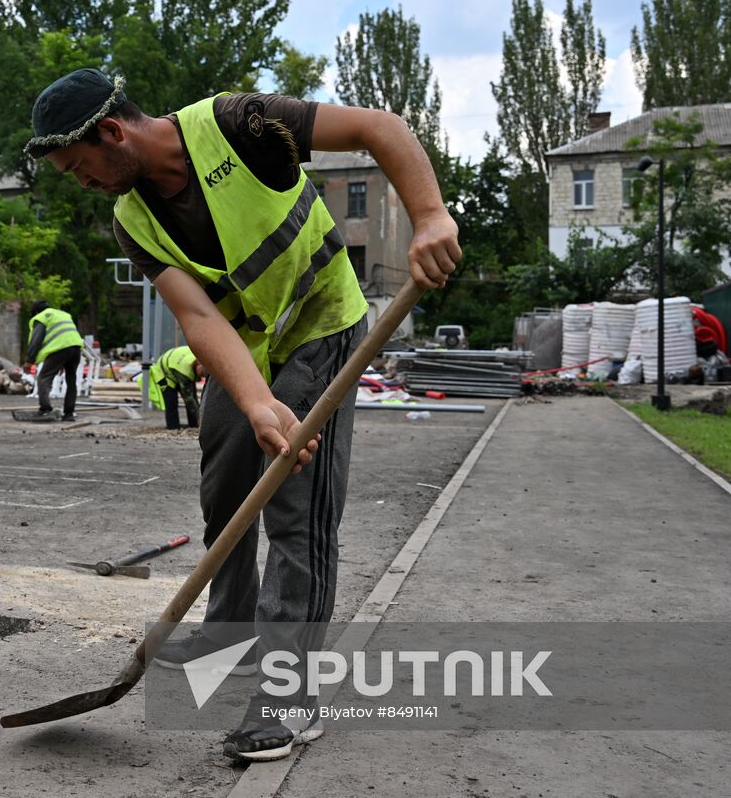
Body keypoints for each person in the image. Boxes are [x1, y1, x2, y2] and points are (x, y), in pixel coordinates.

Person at [26, 69, 459, 762]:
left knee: (296, 507)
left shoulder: (239, 124)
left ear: (112, 132)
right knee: (225, 483)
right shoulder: (132, 220)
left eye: (80, 167)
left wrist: (430, 216)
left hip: (322, 324)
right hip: (247, 348)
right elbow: (198, 316)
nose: (82, 183)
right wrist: (256, 401)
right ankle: (228, 632)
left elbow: (379, 127)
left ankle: (288, 697)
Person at [23, 301, 83, 420]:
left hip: (60, 349)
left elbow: (36, 340)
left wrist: (29, 360)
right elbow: (65, 334)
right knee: (71, 380)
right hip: (76, 347)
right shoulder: (63, 314)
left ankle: (45, 409)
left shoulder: (41, 317)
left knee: (43, 378)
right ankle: (69, 414)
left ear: (36, 312)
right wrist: (61, 362)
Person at [145, 345, 205, 430]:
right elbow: (189, 399)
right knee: (171, 402)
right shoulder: (185, 371)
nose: (203, 377)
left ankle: (194, 425)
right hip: (164, 373)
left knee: (192, 398)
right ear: (198, 365)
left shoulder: (200, 357)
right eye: (202, 374)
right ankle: (173, 427)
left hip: (176, 364)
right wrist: (200, 417)